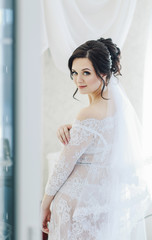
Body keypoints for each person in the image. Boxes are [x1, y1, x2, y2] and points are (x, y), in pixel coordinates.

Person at [41, 38, 151, 239]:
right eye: (74, 73)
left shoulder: (88, 114)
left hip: (74, 205)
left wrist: (44, 204)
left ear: (103, 73)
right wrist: (72, 129)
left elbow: (62, 167)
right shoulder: (121, 109)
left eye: (86, 73)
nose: (78, 80)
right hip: (103, 202)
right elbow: (100, 145)